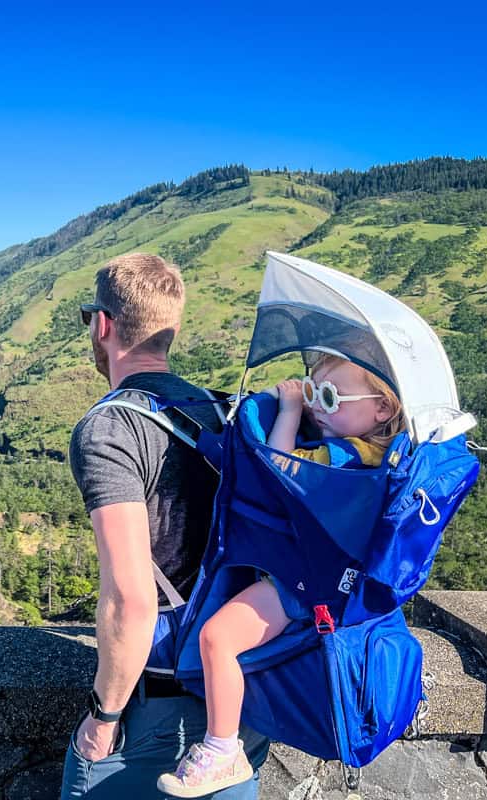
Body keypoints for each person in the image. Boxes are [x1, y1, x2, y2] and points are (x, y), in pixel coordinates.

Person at [60, 253, 268, 800]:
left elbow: (131, 598)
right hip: (240, 707)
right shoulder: (227, 414)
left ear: (103, 325)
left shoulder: (110, 428)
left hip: (155, 704)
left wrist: (103, 717)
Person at [155, 353, 406, 798]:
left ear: (382, 409)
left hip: (299, 587)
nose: (318, 407)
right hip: (339, 588)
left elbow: (280, 464)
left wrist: (289, 408)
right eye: (312, 392)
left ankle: (221, 748)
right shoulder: (389, 459)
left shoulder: (342, 458)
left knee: (218, 640)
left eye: (330, 396)